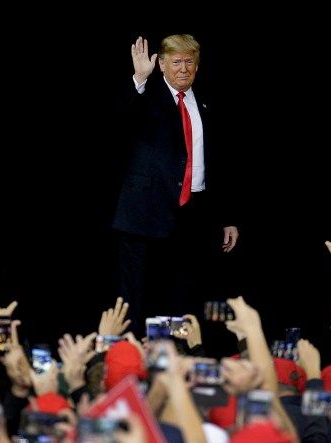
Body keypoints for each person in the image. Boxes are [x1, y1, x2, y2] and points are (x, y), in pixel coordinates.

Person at [112, 34, 240, 336]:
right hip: (145, 212)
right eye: (176, 62)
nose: (183, 68)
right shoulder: (147, 97)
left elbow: (222, 163)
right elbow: (120, 119)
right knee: (136, 294)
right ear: (163, 65)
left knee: (185, 291)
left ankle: (180, 352)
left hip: (192, 213)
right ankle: (129, 355)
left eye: (189, 61)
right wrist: (138, 80)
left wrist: (227, 218)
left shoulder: (208, 102)